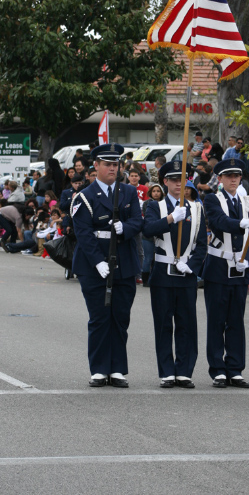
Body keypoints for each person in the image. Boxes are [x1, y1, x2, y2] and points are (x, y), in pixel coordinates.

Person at [71, 143, 143, 388]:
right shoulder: (85, 196)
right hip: (94, 265)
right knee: (100, 317)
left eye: (116, 164)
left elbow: (137, 221)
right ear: (96, 166)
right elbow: (83, 233)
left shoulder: (128, 192)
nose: (113, 168)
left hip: (124, 261)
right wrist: (98, 262)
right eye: (108, 164)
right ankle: (100, 369)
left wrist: (127, 229)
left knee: (121, 317)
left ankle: (117, 369)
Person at [143, 161, 207, 389]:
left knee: (186, 323)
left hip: (186, 274)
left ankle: (184, 371)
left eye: (183, 179)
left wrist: (192, 265)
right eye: (173, 179)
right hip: (162, 273)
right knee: (163, 324)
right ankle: (167, 372)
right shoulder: (155, 206)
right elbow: (148, 230)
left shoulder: (197, 209)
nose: (178, 184)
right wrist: (170, 219)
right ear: (165, 182)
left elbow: (202, 244)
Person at [203, 158, 249, 389]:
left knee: (236, 321)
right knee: (217, 321)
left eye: (237, 175)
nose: (234, 179)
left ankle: (235, 369)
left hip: (240, 270)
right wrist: (241, 224)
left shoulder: (248, 201)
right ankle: (217, 370)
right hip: (218, 267)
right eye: (229, 176)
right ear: (220, 178)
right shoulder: (212, 199)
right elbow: (218, 222)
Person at [141, 184, 165, 286]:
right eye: (154, 191)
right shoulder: (147, 203)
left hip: (161, 235)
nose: (156, 193)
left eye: (158, 191)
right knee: (148, 257)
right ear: (151, 192)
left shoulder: (165, 203)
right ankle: (145, 279)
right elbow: (150, 217)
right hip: (148, 236)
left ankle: (156, 277)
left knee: (159, 258)